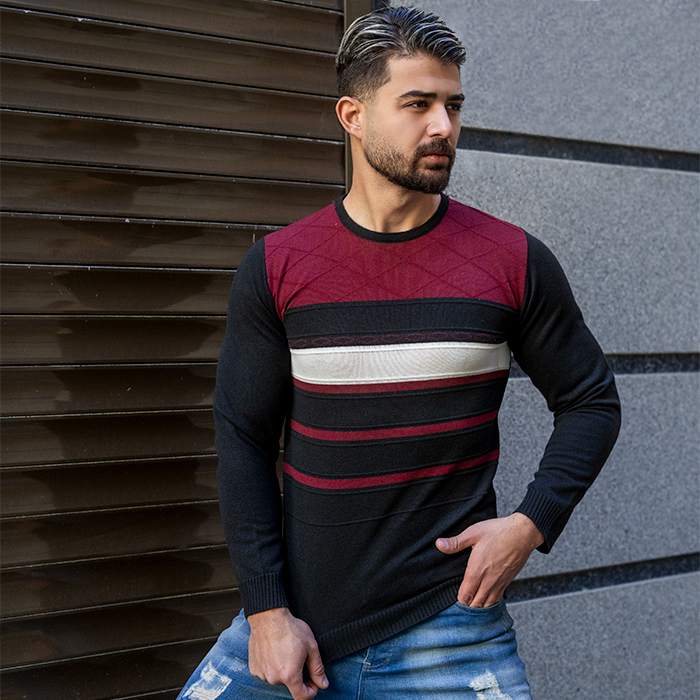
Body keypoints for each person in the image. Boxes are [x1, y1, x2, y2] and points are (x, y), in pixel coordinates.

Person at [177, 6, 621, 700]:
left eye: (453, 105)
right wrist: (265, 612)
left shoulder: (512, 260)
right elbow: (243, 439)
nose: (443, 126)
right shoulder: (277, 267)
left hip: (450, 629)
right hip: (294, 633)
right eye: (418, 104)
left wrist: (531, 524)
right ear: (352, 116)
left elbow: (591, 400)